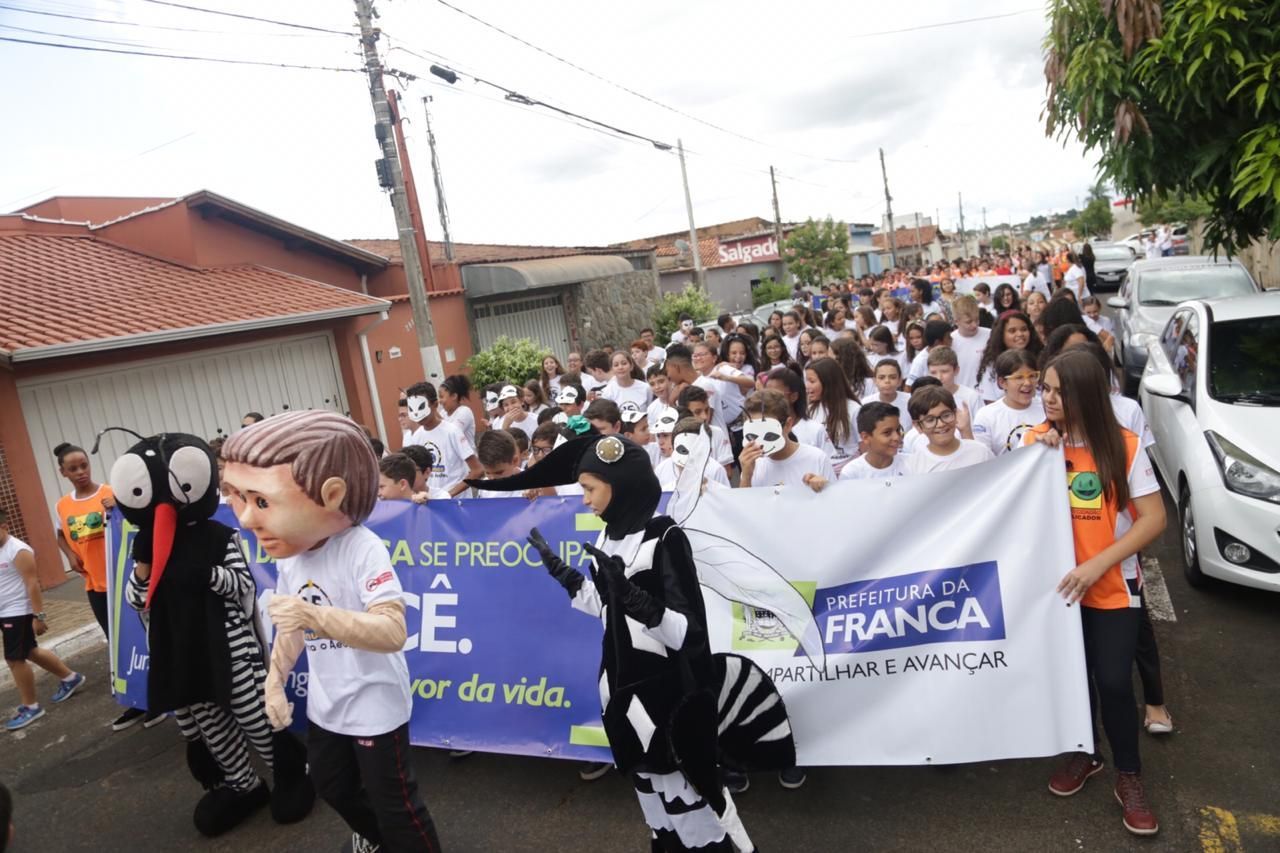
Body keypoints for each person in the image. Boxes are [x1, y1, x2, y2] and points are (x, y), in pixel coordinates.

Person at [468, 433, 796, 852]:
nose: (584, 499)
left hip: (667, 699)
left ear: (619, 484)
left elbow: (689, 634)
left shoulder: (665, 536)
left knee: (694, 813)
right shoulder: (605, 538)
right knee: (657, 815)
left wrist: (640, 602)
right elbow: (608, 614)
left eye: (589, 489)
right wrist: (568, 579)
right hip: (621, 693)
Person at [223, 411, 443, 853]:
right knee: (331, 787)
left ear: (332, 494)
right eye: (238, 498)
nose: (246, 520)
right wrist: (273, 681)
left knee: (397, 806)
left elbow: (391, 630)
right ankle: (377, 841)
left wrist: (313, 616)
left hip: (374, 701)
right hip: (328, 703)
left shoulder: (362, 548)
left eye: (261, 502)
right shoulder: (290, 553)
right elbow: (292, 627)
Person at [115, 430, 314, 835]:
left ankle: (290, 774)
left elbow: (242, 584)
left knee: (255, 716)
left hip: (229, 647)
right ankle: (242, 784)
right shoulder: (144, 546)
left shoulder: (218, 536)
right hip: (181, 653)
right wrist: (143, 567)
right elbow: (137, 600)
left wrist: (200, 573)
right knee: (212, 725)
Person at [1025, 350, 1165, 837]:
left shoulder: (1124, 446)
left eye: (1057, 390)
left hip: (1110, 587)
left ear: (1085, 392)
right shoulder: (1035, 444)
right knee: (1072, 677)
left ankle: (1130, 775)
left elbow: (1154, 519)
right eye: (1044, 389)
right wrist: (1035, 449)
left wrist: (1098, 563)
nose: (1047, 398)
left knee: (1111, 681)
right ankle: (1087, 754)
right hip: (1056, 591)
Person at [52, 442, 155, 732]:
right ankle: (138, 699)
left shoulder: (112, 493)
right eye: (73, 468)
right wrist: (69, 555)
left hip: (124, 583)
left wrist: (121, 506)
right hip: (95, 586)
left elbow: (143, 523)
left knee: (143, 641)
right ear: (63, 472)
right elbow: (61, 534)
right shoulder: (63, 505)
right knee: (118, 645)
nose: (81, 472)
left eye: (83, 465)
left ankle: (158, 698)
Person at [2, 509, 86, 731]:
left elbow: (32, 583)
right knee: (29, 650)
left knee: (14, 659)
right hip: (4, 611)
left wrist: (38, 617)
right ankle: (70, 678)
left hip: (18, 611)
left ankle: (31, 706)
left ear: (4, 526)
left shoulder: (18, 550)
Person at [738, 390, 835, 491]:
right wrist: (746, 477)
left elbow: (835, 501)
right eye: (753, 433)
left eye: (768, 433)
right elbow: (743, 505)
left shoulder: (816, 458)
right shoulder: (753, 465)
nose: (760, 441)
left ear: (788, 425)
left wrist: (824, 488)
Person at [404, 381, 483, 496]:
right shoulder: (416, 437)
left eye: (421, 407)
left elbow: (477, 470)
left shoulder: (452, 432)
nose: (417, 413)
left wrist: (448, 495)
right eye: (411, 409)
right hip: (431, 504)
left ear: (435, 404)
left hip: (457, 504)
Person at [902, 386, 992, 474]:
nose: (941, 424)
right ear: (918, 426)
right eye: (930, 420)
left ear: (955, 414)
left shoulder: (981, 452)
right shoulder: (913, 466)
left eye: (946, 415)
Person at [971, 350, 1046, 456]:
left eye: (1032, 376)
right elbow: (982, 458)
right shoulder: (986, 416)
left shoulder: (1047, 407)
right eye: (1019, 378)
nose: (1027, 383)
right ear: (1002, 382)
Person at [805, 358, 862, 475]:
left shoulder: (853, 408)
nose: (807, 386)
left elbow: (864, 445)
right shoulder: (810, 410)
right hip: (820, 471)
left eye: (812, 381)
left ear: (828, 382)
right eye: (806, 381)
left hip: (849, 472)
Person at [976, 311, 1044, 403]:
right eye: (1012, 331)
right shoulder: (991, 365)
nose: (1020, 334)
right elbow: (989, 401)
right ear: (1001, 335)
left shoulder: (1041, 359)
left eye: (1024, 329)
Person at [839, 402, 907, 480]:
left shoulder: (913, 465)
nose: (897, 437)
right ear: (865, 437)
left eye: (898, 430)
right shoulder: (851, 473)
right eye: (887, 432)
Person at [926, 347, 985, 419]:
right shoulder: (924, 399)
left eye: (944, 371)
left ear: (956, 370)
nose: (939, 377)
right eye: (933, 372)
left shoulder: (971, 397)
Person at [949, 295, 991, 389]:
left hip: (987, 396)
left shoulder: (990, 335)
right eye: (968, 322)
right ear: (956, 322)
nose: (974, 325)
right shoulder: (950, 341)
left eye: (977, 320)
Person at [601, 350, 654, 414]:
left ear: (631, 366)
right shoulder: (607, 392)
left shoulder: (646, 388)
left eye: (624, 363)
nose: (620, 367)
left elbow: (651, 412)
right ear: (612, 369)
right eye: (616, 365)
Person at [437, 375, 477, 448]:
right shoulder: (442, 413)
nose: (439, 401)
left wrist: (433, 412)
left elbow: (453, 434)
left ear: (454, 396)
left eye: (441, 396)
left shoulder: (464, 411)